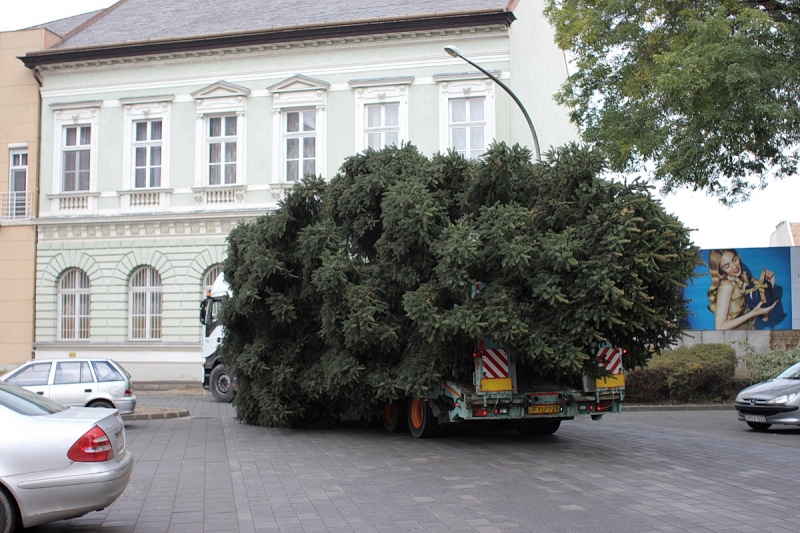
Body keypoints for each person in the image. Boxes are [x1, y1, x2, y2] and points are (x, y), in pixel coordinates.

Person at [707, 249, 776, 330]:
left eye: (734, 260)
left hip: (750, 336)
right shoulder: (727, 286)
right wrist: (752, 313)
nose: (734, 267)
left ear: (738, 256)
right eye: (727, 266)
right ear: (720, 270)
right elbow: (720, 327)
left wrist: (770, 286)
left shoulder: (750, 280)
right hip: (732, 340)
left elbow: (765, 318)